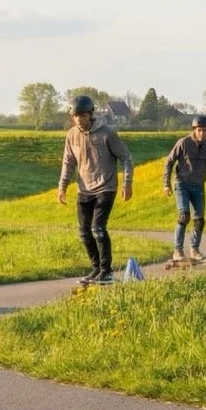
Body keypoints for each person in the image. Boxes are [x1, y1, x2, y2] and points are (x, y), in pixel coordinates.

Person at [57, 94, 134, 284]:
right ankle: (96, 269)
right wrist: (63, 186)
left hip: (105, 187)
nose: (79, 120)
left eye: (83, 115)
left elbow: (126, 157)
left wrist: (127, 182)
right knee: (84, 233)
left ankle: (106, 271)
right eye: (76, 116)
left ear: (91, 114)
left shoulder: (107, 133)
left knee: (97, 228)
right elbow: (68, 162)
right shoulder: (72, 135)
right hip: (84, 189)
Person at [162, 113, 206, 262]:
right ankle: (177, 251)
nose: (201, 133)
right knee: (184, 216)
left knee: (199, 220)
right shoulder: (183, 143)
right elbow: (169, 161)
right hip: (182, 184)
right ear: (194, 130)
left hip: (198, 186)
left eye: (205, 130)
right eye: (199, 130)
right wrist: (166, 183)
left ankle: (194, 249)